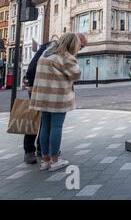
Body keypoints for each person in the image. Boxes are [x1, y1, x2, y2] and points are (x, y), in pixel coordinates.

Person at [22, 34, 87, 164]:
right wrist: (29, 82)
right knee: (54, 126)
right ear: (73, 43)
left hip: (41, 94)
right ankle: (53, 158)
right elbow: (76, 75)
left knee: (45, 126)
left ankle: (45, 158)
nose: (80, 49)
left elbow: (35, 64)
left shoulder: (46, 54)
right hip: (56, 97)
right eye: (81, 46)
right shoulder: (66, 56)